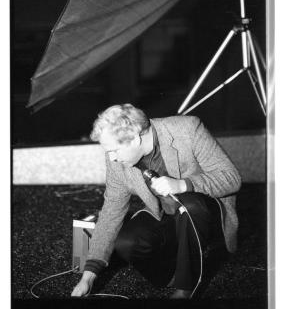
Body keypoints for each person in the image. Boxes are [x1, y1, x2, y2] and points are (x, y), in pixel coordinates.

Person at [71, 103, 241, 299]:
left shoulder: (188, 129)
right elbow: (111, 211)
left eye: (114, 151)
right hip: (167, 214)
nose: (112, 158)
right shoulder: (116, 160)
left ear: (135, 138)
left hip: (205, 213)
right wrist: (88, 277)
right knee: (126, 242)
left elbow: (232, 178)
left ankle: (187, 287)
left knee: (189, 205)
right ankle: (177, 273)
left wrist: (183, 185)